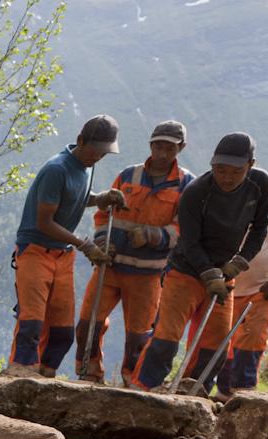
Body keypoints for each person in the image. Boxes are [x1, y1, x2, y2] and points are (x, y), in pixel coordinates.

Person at [131, 132, 268, 392]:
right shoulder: (196, 192)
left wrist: (238, 264)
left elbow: (259, 228)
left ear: (250, 166)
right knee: (167, 336)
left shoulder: (260, 184)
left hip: (224, 271)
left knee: (216, 343)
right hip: (185, 270)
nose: (227, 178)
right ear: (212, 164)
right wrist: (210, 275)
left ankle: (192, 391)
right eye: (220, 170)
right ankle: (142, 388)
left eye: (235, 171)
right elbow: (189, 242)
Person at [72, 121, 194, 385]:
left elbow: (183, 229)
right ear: (150, 144)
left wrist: (152, 236)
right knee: (87, 324)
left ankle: (131, 382)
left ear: (180, 148)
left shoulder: (186, 184)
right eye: (158, 146)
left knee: (139, 335)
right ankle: (88, 374)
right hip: (110, 266)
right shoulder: (128, 176)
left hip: (148, 274)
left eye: (170, 148)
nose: (163, 153)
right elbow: (104, 213)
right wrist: (102, 240)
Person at [6, 115, 128, 377]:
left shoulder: (87, 166)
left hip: (63, 254)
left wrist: (101, 199)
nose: (98, 157)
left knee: (62, 331)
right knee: (32, 321)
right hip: (36, 249)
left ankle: (46, 374)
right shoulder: (57, 169)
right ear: (81, 141)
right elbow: (44, 222)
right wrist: (84, 244)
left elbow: (73, 198)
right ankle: (21, 370)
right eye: (95, 150)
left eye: (104, 153)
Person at [215, 195, 268, 399]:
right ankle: (225, 391)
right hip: (226, 285)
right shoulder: (223, 202)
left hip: (264, 287)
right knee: (225, 337)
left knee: (254, 334)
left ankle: (243, 389)